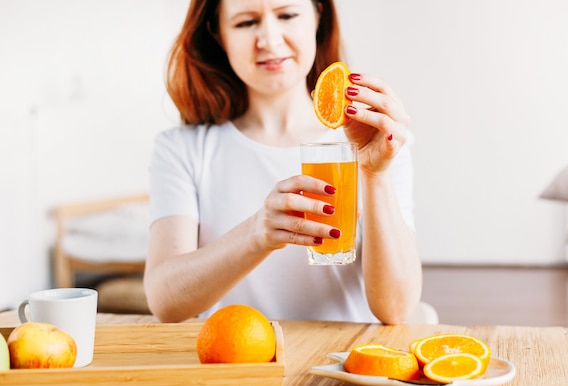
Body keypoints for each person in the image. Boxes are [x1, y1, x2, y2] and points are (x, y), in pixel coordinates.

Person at [144, 0, 422, 324]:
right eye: (246, 22)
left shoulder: (375, 139)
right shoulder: (182, 149)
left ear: (319, 16)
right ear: (217, 33)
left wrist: (374, 175)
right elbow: (164, 302)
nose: (269, 39)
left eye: (287, 15)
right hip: (237, 365)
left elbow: (397, 309)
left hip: (343, 367)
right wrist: (256, 235)